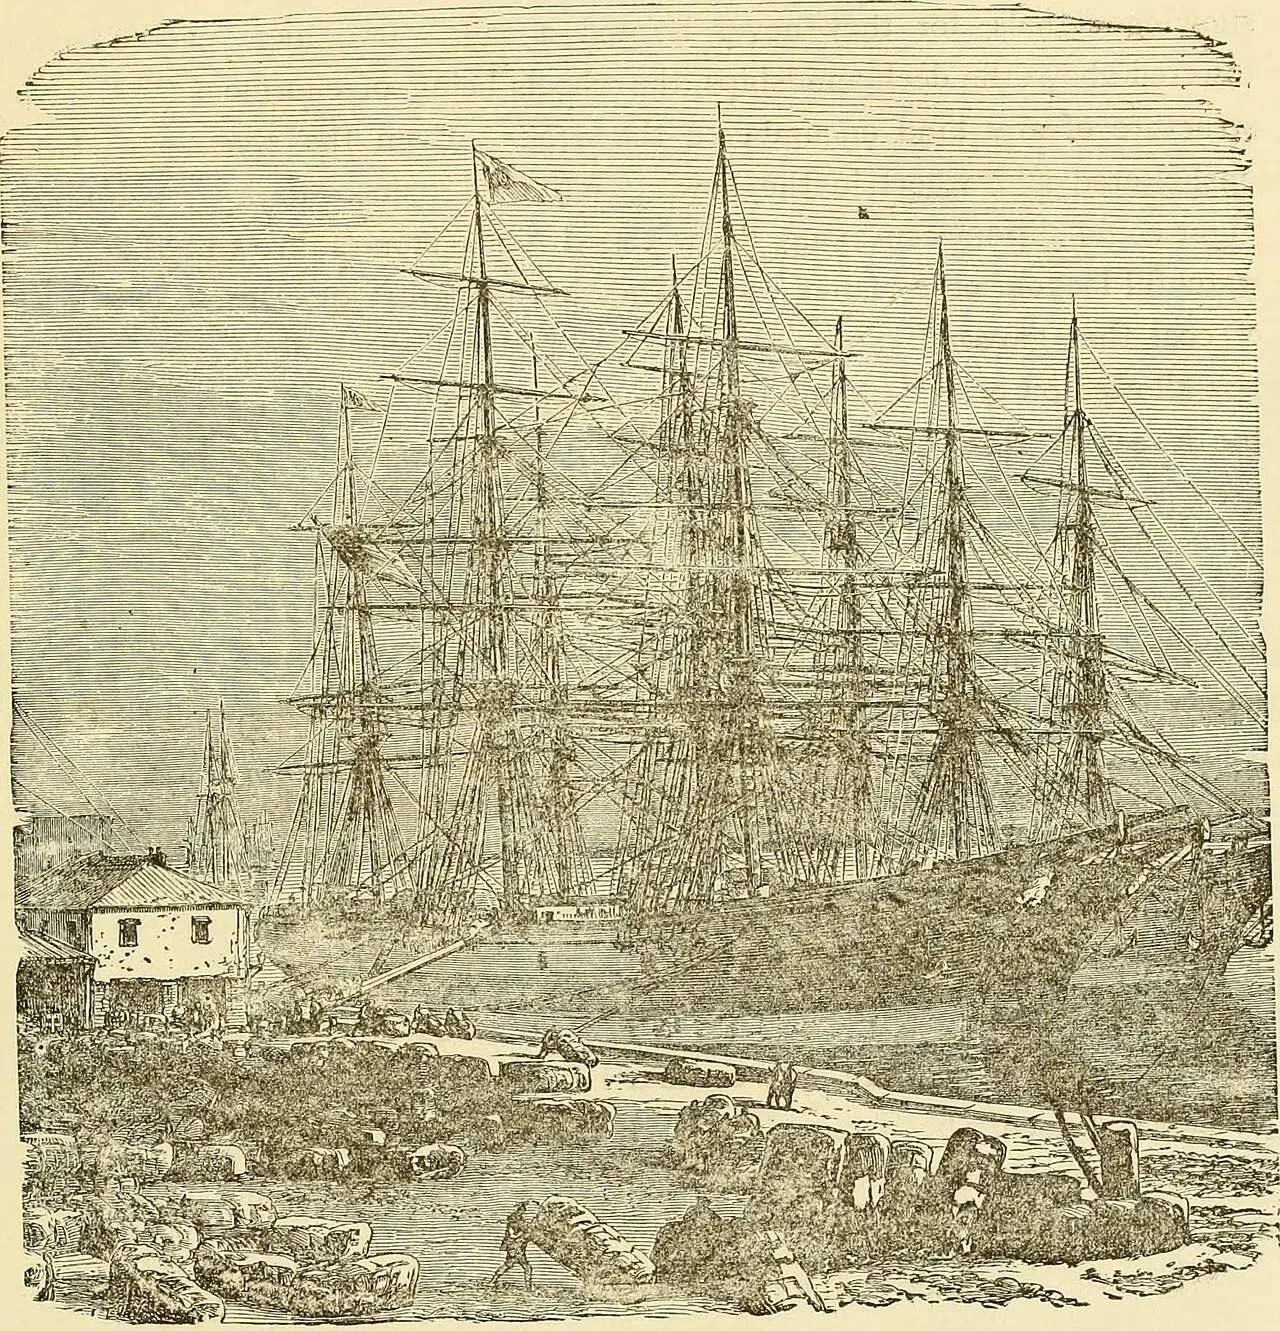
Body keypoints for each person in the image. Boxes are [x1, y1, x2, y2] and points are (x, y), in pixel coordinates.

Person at [491, 1201, 537, 1290]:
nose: (522, 1212)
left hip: (518, 1247)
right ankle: (528, 1288)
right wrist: (524, 1233)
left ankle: (493, 1281)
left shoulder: (521, 1221)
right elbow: (512, 1235)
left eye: (523, 1211)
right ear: (518, 1210)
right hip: (514, 1248)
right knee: (526, 1267)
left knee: (508, 1265)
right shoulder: (512, 1221)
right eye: (521, 1210)